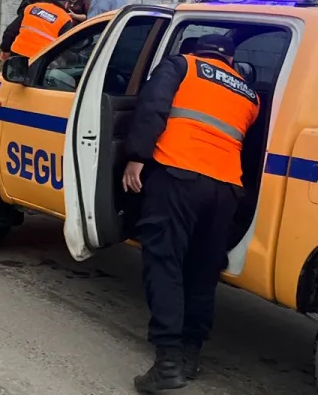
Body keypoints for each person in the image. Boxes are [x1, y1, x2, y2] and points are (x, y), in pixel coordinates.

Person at [121, 34, 260, 393]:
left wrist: (136, 157)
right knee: (202, 272)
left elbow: (152, 108)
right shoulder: (250, 94)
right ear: (231, 61)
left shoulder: (181, 66)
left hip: (177, 175)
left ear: (198, 52)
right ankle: (189, 355)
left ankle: (167, 362)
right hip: (227, 190)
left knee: (165, 264)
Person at [0, 0, 74, 61]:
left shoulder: (32, 7)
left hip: (18, 52)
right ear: (66, 3)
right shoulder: (65, 19)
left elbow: (10, 30)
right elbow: (65, 45)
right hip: (41, 59)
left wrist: (5, 49)